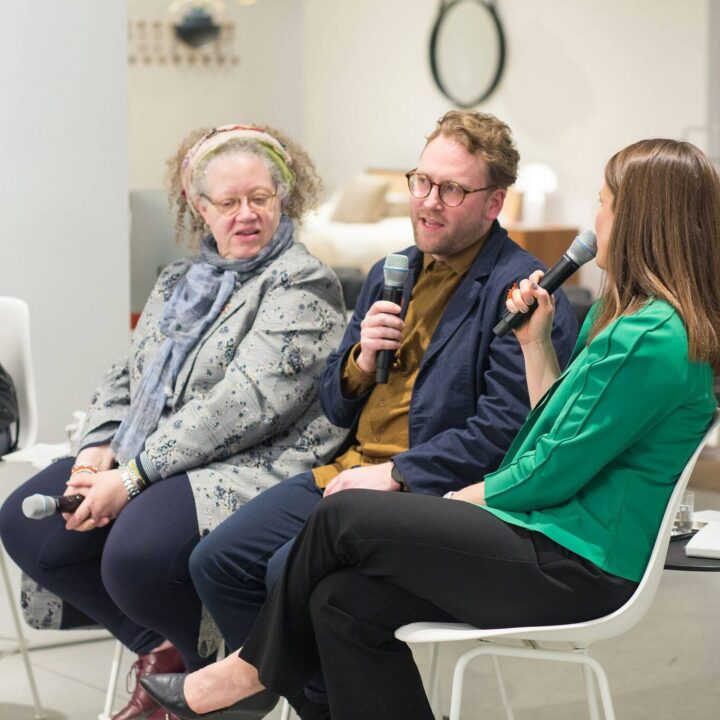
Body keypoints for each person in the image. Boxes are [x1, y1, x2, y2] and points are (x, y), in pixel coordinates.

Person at [142, 136, 720, 720]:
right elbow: (554, 429)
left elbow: (551, 470)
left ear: (640, 220)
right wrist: (535, 342)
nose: (595, 221)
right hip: (545, 531)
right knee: (340, 602)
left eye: (604, 203)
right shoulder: (621, 317)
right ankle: (257, 671)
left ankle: (249, 672)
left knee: (341, 517)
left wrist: (464, 499)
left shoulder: (650, 340)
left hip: (579, 562)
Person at [180, 111, 578, 719]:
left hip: (430, 493)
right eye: (422, 182)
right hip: (346, 472)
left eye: (452, 189)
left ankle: (297, 692)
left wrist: (399, 474)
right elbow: (337, 405)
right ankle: (320, 704)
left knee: (294, 573)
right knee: (219, 560)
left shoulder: (520, 289)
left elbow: (508, 431)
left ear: (495, 202)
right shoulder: (390, 271)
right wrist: (363, 359)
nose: (429, 203)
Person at [0, 124, 348, 720]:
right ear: (200, 206)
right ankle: (164, 654)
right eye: (228, 201)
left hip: (254, 463)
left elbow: (241, 406)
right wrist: (96, 454)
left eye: (260, 198)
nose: (246, 215)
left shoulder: (302, 281)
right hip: (158, 457)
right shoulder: (179, 280)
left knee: (133, 556)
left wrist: (132, 476)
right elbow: (125, 378)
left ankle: (226, 684)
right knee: (28, 523)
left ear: (283, 198)